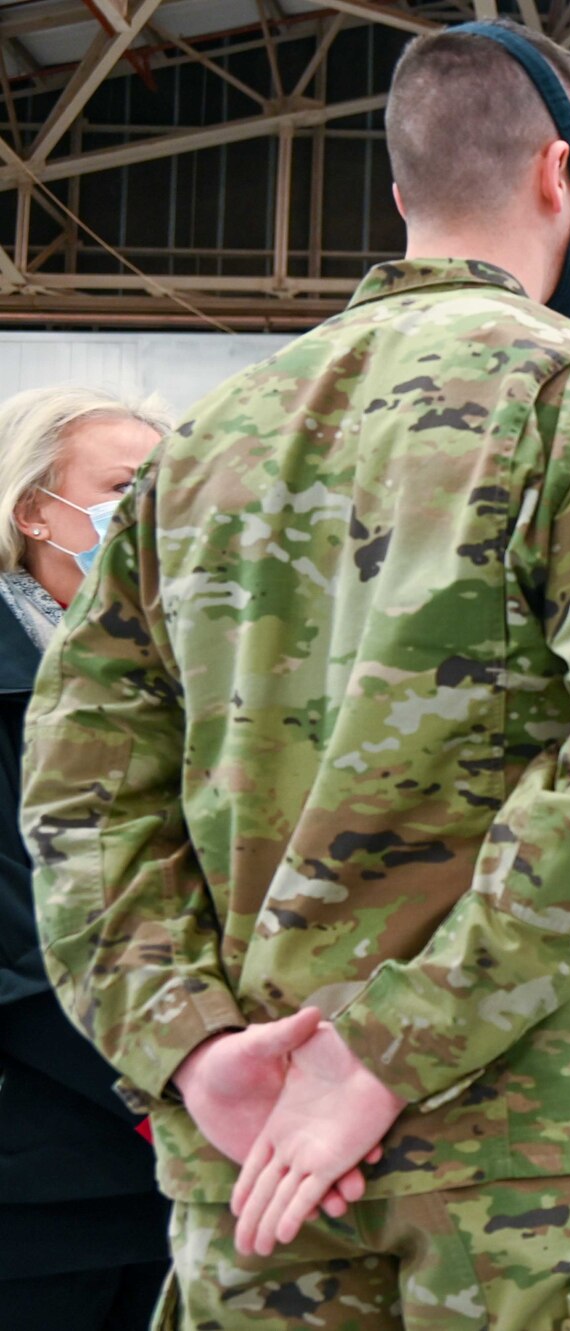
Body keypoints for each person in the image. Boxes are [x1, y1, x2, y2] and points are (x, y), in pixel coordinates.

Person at [22, 19, 570, 1330]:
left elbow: (82, 797)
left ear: (398, 192)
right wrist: (389, 1051)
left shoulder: (205, 444)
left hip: (265, 1164)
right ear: (562, 178)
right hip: (536, 1161)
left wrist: (186, 1047)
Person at [0, 387, 172, 1331]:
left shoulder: (176, 674)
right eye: (123, 487)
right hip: (42, 1167)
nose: (145, 515)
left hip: (172, 1172)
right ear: (35, 508)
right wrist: (159, 1075)